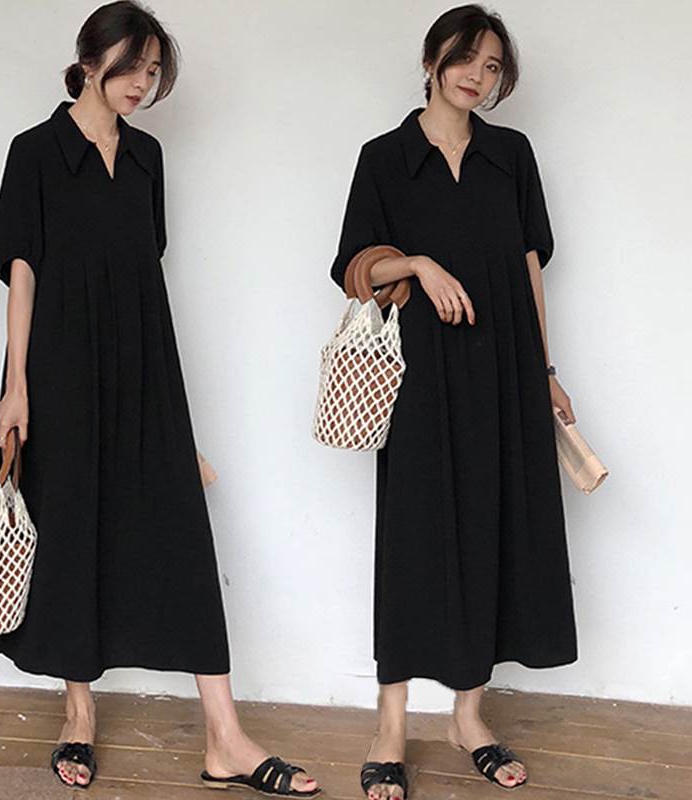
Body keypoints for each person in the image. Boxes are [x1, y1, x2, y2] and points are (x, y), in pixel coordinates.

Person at [0, 2, 319, 796]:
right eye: (132, 66)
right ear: (89, 60)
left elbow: (144, 262)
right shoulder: (34, 152)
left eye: (155, 70)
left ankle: (226, 738)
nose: (143, 83)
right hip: (58, 365)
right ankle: (78, 713)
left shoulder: (147, 157)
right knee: (70, 528)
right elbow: (23, 270)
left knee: (180, 535)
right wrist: (17, 388)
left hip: (144, 359)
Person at [329, 5, 578, 798]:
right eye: (467, 58)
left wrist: (544, 370)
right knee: (414, 539)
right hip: (420, 377)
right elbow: (354, 269)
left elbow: (529, 267)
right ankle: (391, 724)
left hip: (504, 369)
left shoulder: (512, 155)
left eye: (493, 66)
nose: (478, 75)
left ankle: (469, 716)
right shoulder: (385, 158)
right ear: (433, 60)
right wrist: (419, 263)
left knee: (496, 528)